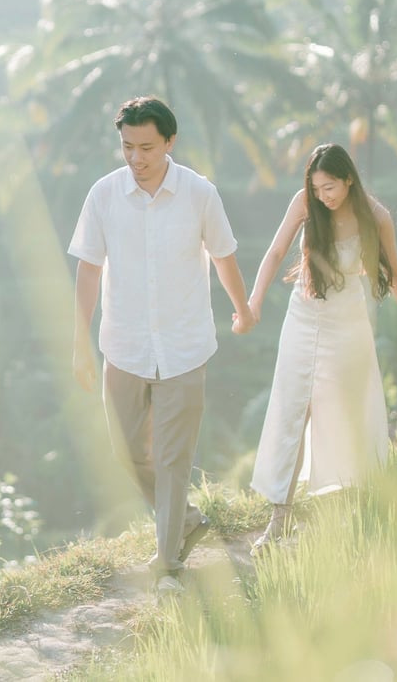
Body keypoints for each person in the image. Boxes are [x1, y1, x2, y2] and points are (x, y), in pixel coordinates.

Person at [69, 96, 256, 596]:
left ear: (170, 142)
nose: (136, 157)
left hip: (184, 346)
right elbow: (88, 268)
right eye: (127, 146)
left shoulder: (199, 193)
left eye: (147, 147)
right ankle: (188, 519)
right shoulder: (104, 195)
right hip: (123, 345)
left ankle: (167, 562)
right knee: (126, 452)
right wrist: (79, 341)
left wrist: (243, 308)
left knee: (173, 459)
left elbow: (224, 256)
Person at [246, 142, 397, 552]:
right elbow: (276, 252)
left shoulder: (376, 217)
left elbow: (395, 273)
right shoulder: (305, 203)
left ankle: (349, 510)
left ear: (349, 180)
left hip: (347, 326)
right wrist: (254, 301)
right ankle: (280, 518)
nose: (323, 196)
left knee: (344, 415)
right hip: (302, 318)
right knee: (294, 409)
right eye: (316, 188)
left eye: (330, 188)